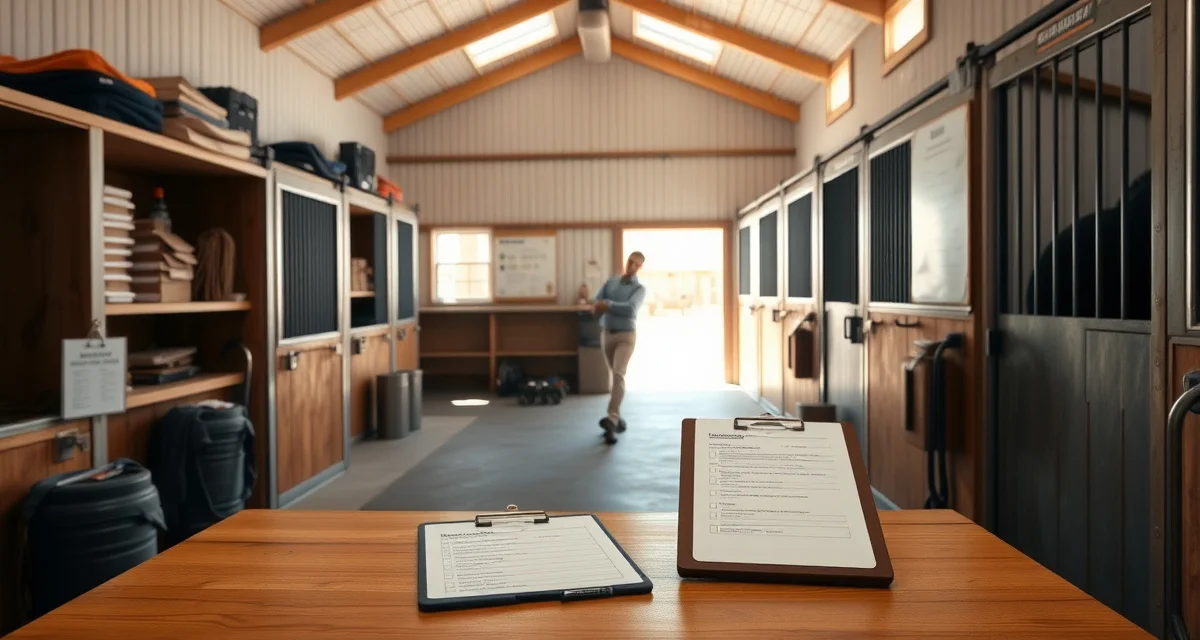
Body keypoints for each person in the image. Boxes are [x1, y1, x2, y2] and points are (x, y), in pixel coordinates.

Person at [592, 251, 646, 444]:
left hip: (626, 336)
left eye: (636, 265)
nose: (632, 267)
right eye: (630, 262)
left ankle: (612, 418)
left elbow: (631, 309)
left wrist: (608, 304)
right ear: (627, 261)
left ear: (640, 267)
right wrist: (603, 305)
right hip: (607, 333)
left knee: (618, 374)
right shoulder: (611, 282)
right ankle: (617, 417)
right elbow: (597, 301)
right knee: (613, 376)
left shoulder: (639, 288)